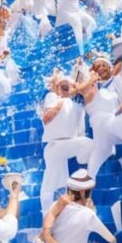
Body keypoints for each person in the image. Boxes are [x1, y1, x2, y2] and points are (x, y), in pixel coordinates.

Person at [77, 56, 122, 178]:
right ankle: (87, 182)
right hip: (101, 128)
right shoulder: (93, 87)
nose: (101, 69)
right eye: (98, 67)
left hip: (117, 120)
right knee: (99, 152)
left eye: (103, 65)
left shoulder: (116, 80)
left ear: (109, 67)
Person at [39, 74, 92, 215]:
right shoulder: (53, 98)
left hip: (68, 146)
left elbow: (81, 132)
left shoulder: (79, 108)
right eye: (61, 85)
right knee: (51, 183)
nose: (64, 86)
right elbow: (46, 118)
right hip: (54, 145)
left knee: (59, 183)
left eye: (68, 84)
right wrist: (59, 103)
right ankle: (46, 214)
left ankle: (57, 214)